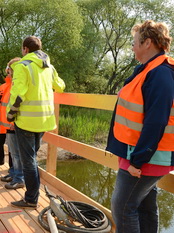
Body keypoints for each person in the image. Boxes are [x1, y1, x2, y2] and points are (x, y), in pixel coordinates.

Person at [106, 20, 174, 233]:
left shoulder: (161, 73)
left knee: (123, 207)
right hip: (143, 154)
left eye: (135, 42)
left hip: (146, 157)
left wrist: (137, 159)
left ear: (148, 43)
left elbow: (157, 120)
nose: (132, 46)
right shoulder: (147, 70)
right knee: (144, 207)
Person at [7, 36, 65, 209]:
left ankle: (31, 199)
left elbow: (18, 94)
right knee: (32, 158)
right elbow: (60, 86)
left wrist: (10, 115)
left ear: (25, 49)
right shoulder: (49, 67)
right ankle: (33, 194)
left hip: (26, 121)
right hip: (45, 121)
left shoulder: (23, 66)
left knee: (29, 161)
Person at [0, 57, 25, 189]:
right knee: (12, 151)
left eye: (9, 69)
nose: (7, 72)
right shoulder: (11, 83)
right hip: (9, 122)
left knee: (16, 153)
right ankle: (13, 173)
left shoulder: (18, 83)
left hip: (14, 122)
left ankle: (19, 178)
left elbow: (18, 102)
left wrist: (13, 121)